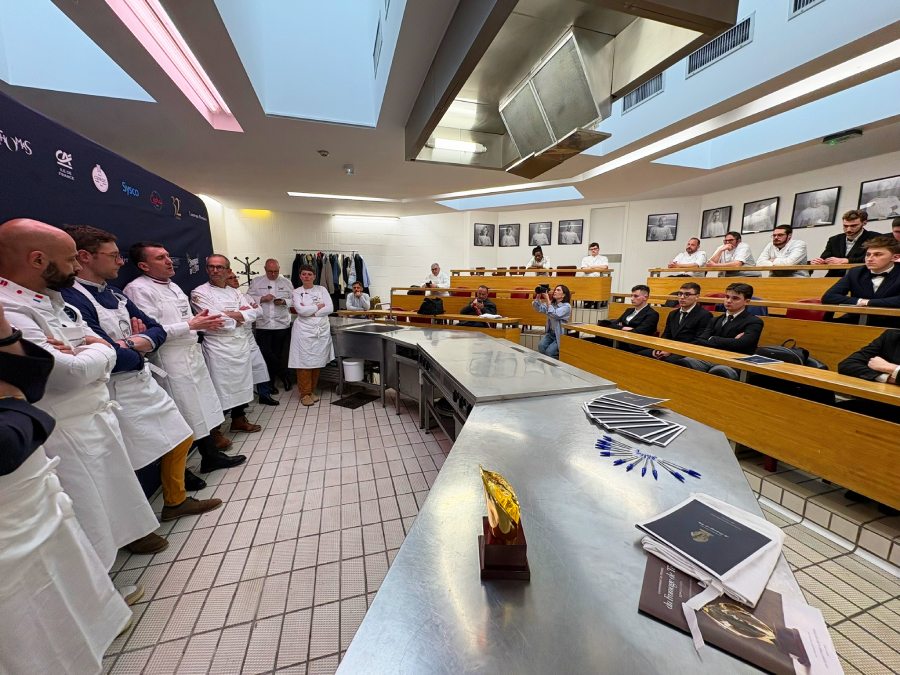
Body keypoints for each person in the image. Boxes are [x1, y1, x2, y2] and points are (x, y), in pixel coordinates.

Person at [0, 219, 160, 566]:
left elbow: (94, 348)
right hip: (65, 430)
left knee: (108, 505)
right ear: (38, 260)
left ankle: (110, 585)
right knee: (87, 515)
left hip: (94, 416)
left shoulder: (56, 302)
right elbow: (67, 374)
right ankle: (104, 595)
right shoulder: (11, 309)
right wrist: (99, 351)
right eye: (71, 259)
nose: (77, 266)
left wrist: (92, 350)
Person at [0, 302, 133, 675]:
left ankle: (100, 615)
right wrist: (19, 402)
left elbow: (32, 382)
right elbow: (59, 381)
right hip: (12, 510)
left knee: (66, 570)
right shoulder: (19, 307)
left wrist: (17, 397)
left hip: (33, 488)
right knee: (25, 625)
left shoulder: (60, 306)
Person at [62, 226, 223, 522]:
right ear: (85, 257)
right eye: (113, 256)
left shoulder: (114, 293)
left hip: (140, 375)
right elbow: (108, 354)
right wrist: (129, 346)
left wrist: (131, 344)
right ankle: (135, 523)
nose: (119, 262)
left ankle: (175, 501)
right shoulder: (73, 299)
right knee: (126, 459)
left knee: (180, 435)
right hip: (111, 387)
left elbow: (155, 328)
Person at [124, 242, 246, 473]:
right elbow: (152, 331)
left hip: (191, 354)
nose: (169, 260)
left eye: (168, 255)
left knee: (203, 406)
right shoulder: (138, 290)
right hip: (172, 359)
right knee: (185, 412)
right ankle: (181, 474)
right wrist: (191, 324)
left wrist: (197, 324)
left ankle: (211, 456)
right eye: (160, 258)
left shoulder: (174, 287)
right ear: (144, 265)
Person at [191, 255, 262, 433]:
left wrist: (232, 314)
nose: (215, 270)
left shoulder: (235, 292)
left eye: (220, 267)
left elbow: (253, 313)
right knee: (219, 388)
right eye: (211, 267)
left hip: (239, 345)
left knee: (242, 384)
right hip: (218, 348)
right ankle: (215, 431)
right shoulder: (200, 293)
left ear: (228, 270)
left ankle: (239, 420)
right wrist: (238, 315)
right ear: (207, 269)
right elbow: (214, 320)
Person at [676, 282, 764, 379]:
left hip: (734, 361)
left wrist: (712, 338)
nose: (729, 301)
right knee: (684, 362)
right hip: (711, 357)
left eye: (735, 298)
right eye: (727, 297)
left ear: (746, 301)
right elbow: (700, 341)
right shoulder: (715, 320)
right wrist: (732, 341)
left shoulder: (754, 322)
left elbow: (742, 344)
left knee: (720, 371)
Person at [821, 236, 900, 328]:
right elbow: (829, 297)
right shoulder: (855, 272)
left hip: (893, 324)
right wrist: (860, 301)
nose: (870, 259)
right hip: (855, 319)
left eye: (878, 254)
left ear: (895, 257)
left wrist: (868, 303)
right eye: (868, 254)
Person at [225, 271, 279, 406]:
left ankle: (264, 395)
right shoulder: (222, 297)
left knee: (260, 365)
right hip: (231, 338)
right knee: (238, 372)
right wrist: (246, 313)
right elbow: (223, 316)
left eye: (235, 277)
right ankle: (240, 403)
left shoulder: (245, 296)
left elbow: (259, 312)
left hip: (248, 335)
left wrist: (239, 314)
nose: (235, 280)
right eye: (231, 278)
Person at [290, 264, 334, 406]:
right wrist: (318, 307)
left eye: (309, 274)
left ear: (314, 276)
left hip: (320, 331)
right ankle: (304, 394)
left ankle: (311, 391)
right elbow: (300, 311)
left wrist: (312, 312)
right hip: (304, 331)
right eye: (304, 274)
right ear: (300, 276)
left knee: (317, 361)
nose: (307, 276)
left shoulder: (322, 289)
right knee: (304, 363)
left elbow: (330, 307)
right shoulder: (296, 292)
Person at [248, 258, 293, 393]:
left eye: (276, 271)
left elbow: (294, 299)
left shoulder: (286, 282)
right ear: (265, 269)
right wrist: (262, 299)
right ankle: (284, 375)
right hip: (263, 324)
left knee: (278, 355)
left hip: (281, 324)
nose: (273, 274)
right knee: (266, 354)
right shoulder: (257, 282)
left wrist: (284, 301)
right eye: (270, 271)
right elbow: (248, 299)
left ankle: (272, 384)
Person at [644, 282, 714, 363]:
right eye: (680, 294)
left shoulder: (705, 315)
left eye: (687, 294)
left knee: (669, 361)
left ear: (697, 297)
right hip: (668, 348)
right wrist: (661, 348)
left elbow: (698, 341)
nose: (682, 297)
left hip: (686, 351)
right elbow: (666, 334)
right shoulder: (673, 314)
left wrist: (672, 350)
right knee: (642, 353)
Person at [811, 209, 883, 277]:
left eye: (853, 226)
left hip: (862, 277)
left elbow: (876, 258)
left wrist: (847, 261)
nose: (848, 230)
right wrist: (819, 261)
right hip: (834, 277)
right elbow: (825, 257)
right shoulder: (834, 240)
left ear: (864, 223)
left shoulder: (875, 238)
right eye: (845, 226)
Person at [594, 285, 658, 352]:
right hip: (620, 339)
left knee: (601, 341)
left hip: (633, 344)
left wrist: (620, 326)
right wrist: (622, 328)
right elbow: (612, 324)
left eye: (636, 296)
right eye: (631, 296)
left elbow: (638, 332)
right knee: (600, 332)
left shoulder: (652, 314)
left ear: (645, 297)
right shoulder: (629, 310)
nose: (632, 298)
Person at [533, 284, 571, 359]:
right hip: (551, 333)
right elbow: (538, 308)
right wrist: (538, 295)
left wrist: (547, 298)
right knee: (541, 346)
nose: (555, 291)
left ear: (563, 295)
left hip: (559, 335)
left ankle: (555, 366)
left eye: (558, 290)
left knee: (549, 352)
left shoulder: (566, 306)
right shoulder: (552, 304)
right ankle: (545, 365)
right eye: (555, 290)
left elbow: (555, 314)